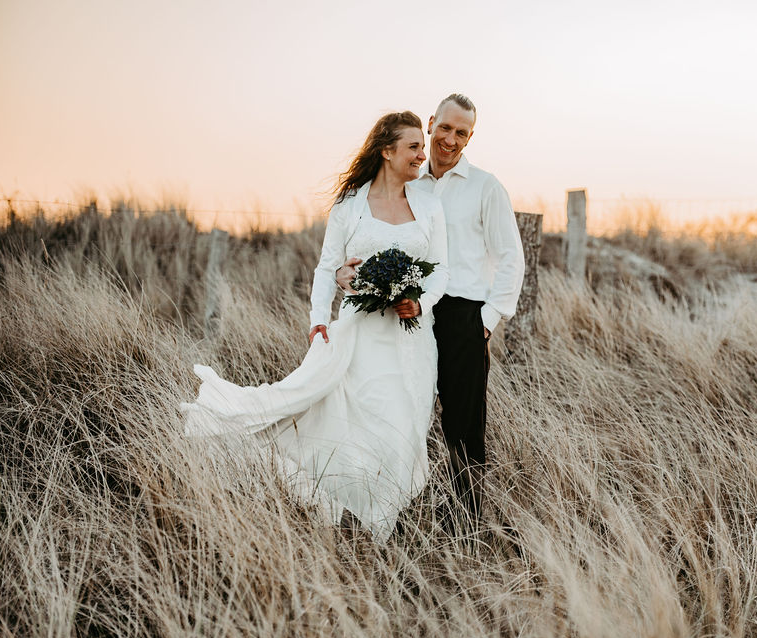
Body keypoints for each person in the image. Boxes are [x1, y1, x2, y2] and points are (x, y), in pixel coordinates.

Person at [181, 111, 448, 543]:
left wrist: (419, 301)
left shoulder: (430, 205)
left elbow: (442, 273)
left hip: (412, 339)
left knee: (403, 431)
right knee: (352, 425)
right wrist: (319, 319)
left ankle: (379, 527)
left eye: (422, 145)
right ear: (387, 150)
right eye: (414, 146)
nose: (424, 153)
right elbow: (328, 269)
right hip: (360, 336)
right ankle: (356, 523)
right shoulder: (351, 206)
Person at [337, 94, 524, 535]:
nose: (450, 139)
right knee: (400, 412)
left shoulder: (485, 186)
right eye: (445, 128)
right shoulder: (410, 184)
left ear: (470, 137)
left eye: (462, 132)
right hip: (407, 312)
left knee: (463, 425)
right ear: (430, 123)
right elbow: (379, 238)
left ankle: (466, 528)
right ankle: (389, 515)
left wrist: (488, 319)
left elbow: (511, 257)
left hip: (463, 316)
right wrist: (351, 272)